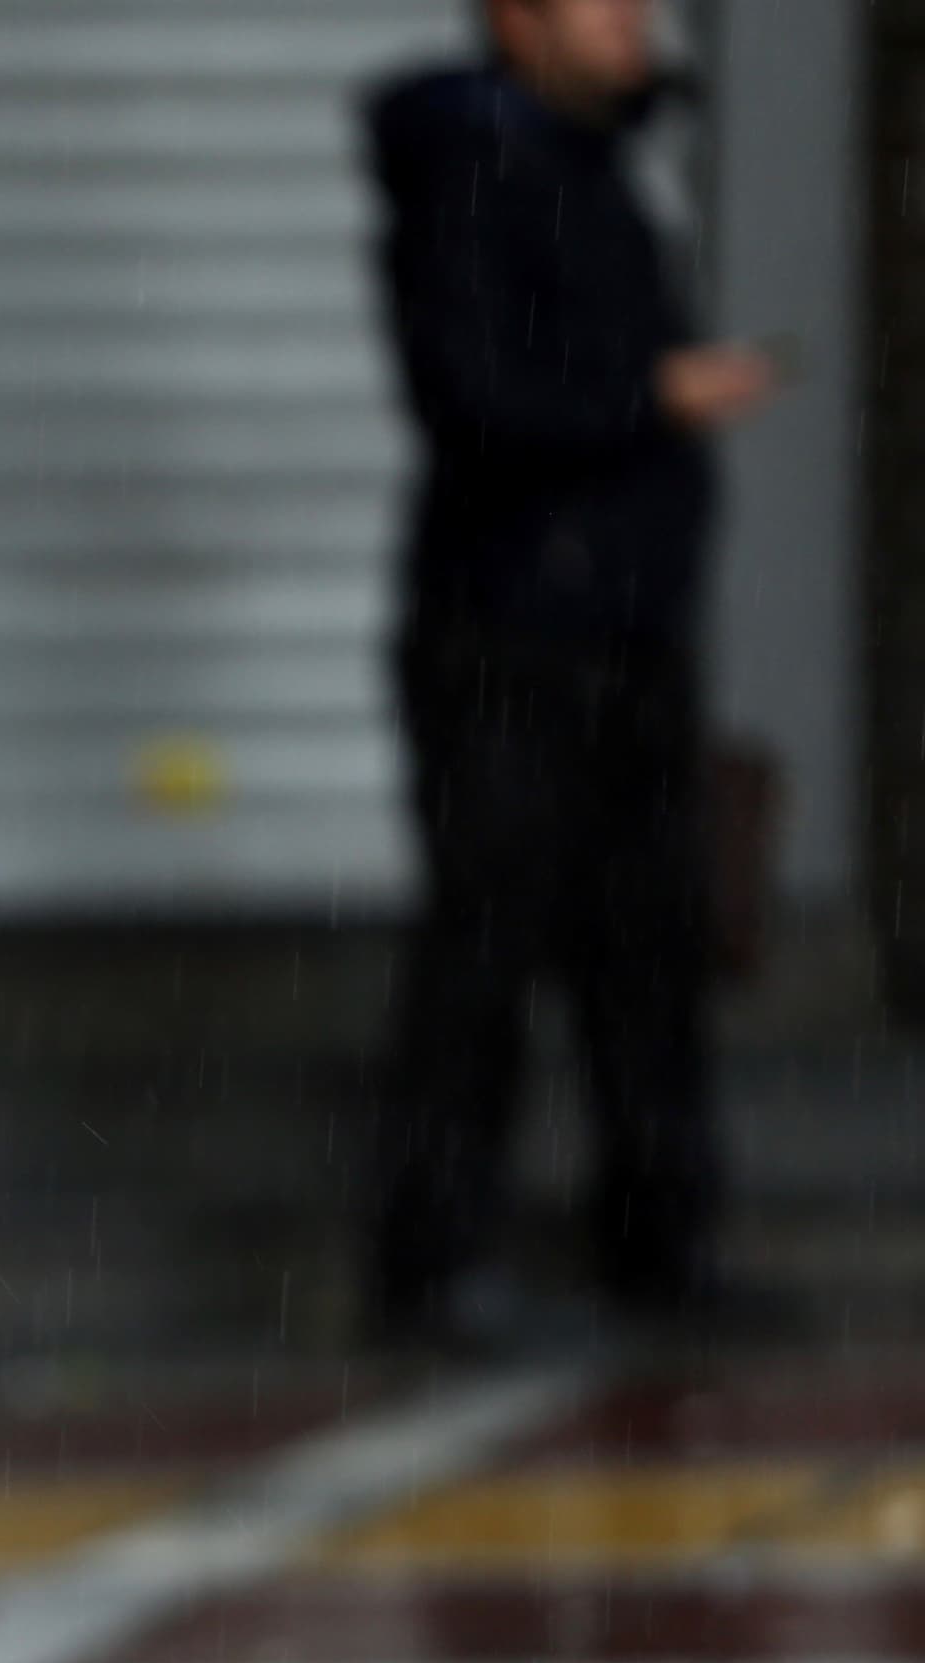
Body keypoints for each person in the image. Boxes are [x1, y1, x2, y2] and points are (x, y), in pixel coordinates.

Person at [360, 0, 782, 1346]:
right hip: (510, 633)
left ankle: (663, 1240)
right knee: (486, 944)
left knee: (648, 946)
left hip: (628, 631)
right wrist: (654, 401)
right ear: (516, 23)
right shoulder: (471, 170)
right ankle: (435, 1260)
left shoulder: (597, 166)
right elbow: (477, 398)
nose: (637, 28)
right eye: (603, 7)